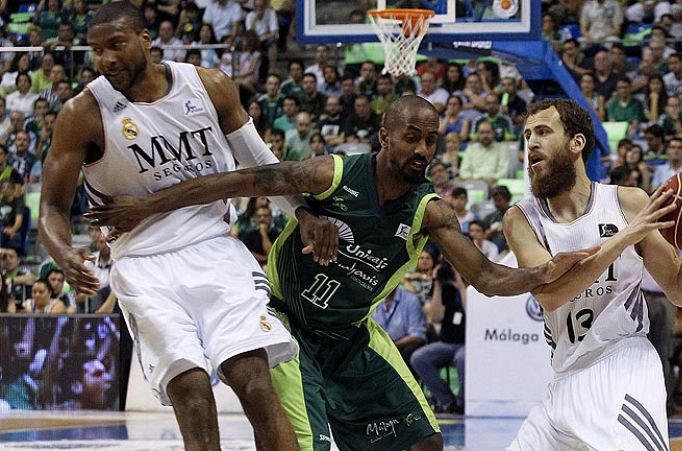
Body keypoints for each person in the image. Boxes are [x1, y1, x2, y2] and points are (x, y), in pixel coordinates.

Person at [86, 95, 595, 451]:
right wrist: (149, 207)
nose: (422, 150)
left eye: (431, 141)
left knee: (425, 440)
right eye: (411, 138)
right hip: (288, 324)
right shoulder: (331, 175)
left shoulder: (430, 211)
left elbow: (486, 277)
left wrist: (544, 271)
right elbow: (240, 179)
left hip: (352, 335)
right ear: (384, 136)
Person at [38, 3, 340, 450]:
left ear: (146, 40)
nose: (105, 60)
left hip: (215, 249)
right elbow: (52, 206)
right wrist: (63, 253)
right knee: (191, 390)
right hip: (142, 265)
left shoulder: (208, 85)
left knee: (254, 378)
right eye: (96, 50)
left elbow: (259, 163)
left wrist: (302, 212)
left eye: (116, 45)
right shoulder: (82, 113)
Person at [503, 99, 682, 450]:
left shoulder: (628, 202)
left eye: (543, 132)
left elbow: (681, 289)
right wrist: (625, 237)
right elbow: (551, 293)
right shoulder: (521, 220)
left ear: (576, 143)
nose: (532, 142)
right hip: (564, 376)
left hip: (623, 362)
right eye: (527, 135)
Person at [411, 261, 467, 414]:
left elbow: (472, 314)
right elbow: (435, 317)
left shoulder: (472, 286)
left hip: (469, 343)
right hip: (447, 342)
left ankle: (462, 404)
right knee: (419, 358)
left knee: (463, 358)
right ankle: (448, 401)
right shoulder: (443, 288)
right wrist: (438, 285)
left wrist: (461, 286)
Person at [371, 285, 427, 370]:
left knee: (406, 353)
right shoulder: (374, 300)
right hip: (380, 346)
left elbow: (417, 335)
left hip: (403, 345)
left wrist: (395, 345)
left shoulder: (411, 300)